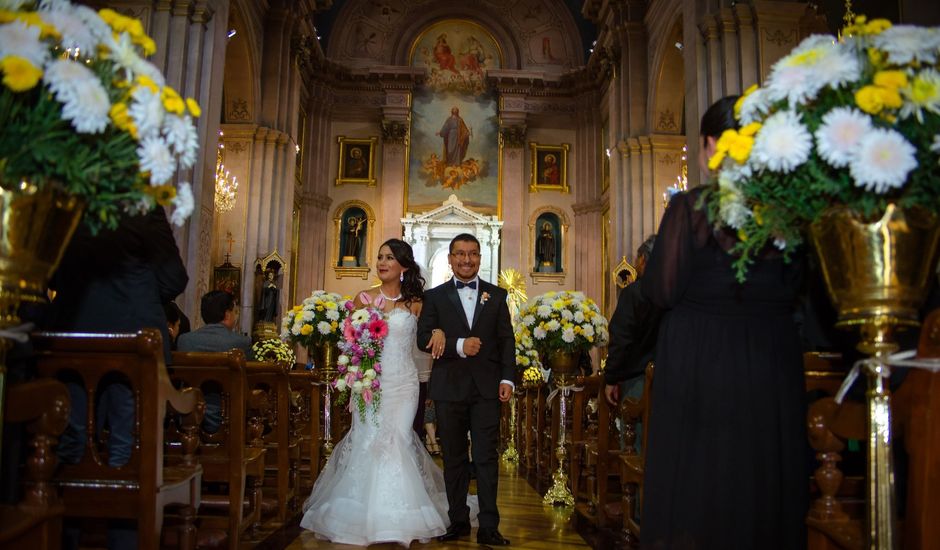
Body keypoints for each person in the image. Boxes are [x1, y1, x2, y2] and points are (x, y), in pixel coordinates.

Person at [639, 96, 807, 549]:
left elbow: (662, 290)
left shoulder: (691, 209)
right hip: (771, 358)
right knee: (762, 475)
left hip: (699, 360)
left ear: (712, 145)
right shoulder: (789, 212)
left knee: (697, 479)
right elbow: (801, 290)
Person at [47, 206, 188, 550]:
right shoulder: (141, 206)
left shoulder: (66, 203)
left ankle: (66, 538)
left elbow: (48, 271)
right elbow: (173, 278)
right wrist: (136, 285)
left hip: (72, 331)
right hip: (134, 337)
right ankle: (123, 542)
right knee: (128, 448)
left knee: (71, 444)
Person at [301, 239, 453, 546]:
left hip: (404, 385)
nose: (382, 262)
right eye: (380, 257)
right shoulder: (363, 298)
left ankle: (401, 515)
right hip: (371, 383)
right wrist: (356, 375)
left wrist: (438, 330)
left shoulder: (416, 303)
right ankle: (365, 514)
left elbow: (429, 333)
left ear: (404, 267)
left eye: (390, 258)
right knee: (369, 439)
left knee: (397, 440)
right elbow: (349, 343)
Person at [416, 233, 515, 546]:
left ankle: (489, 525)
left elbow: (506, 340)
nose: (466, 260)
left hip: (487, 389)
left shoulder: (496, 296)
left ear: (480, 258)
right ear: (450, 259)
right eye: (460, 254)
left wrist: (507, 378)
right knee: (454, 458)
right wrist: (458, 345)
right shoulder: (434, 297)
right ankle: (457, 520)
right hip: (449, 388)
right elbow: (422, 339)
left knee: (486, 457)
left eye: (472, 254)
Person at [603, 235, 660, 452]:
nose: (635, 264)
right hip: (672, 378)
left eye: (638, 259)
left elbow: (621, 339)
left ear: (644, 259)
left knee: (634, 445)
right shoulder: (674, 293)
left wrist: (611, 378)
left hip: (638, 380)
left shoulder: (634, 293)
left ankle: (637, 486)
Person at [178, 290, 252, 434]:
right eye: (235, 311)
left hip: (188, 417)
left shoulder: (184, 340)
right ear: (227, 314)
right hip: (228, 418)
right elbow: (252, 378)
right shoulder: (241, 342)